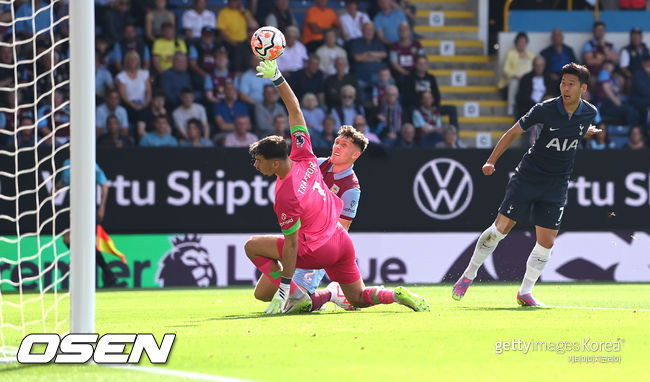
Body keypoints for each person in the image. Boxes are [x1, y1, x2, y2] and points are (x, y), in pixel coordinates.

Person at [245, 59, 430, 313]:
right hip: (340, 243)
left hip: (316, 248)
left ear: (275, 163)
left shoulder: (289, 194)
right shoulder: (308, 156)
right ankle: (394, 294)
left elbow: (290, 245)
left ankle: (298, 293)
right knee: (358, 298)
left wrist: (286, 285)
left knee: (252, 247)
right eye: (337, 143)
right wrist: (277, 77)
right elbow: (295, 110)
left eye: (259, 161)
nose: (256, 166)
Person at [452, 63, 600, 307]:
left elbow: (575, 129)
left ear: (583, 88)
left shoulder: (589, 112)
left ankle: (525, 292)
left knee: (548, 241)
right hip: (529, 176)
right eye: (563, 82)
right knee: (500, 229)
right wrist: (491, 161)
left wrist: (587, 131)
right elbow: (513, 132)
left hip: (557, 182)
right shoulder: (545, 109)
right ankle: (469, 274)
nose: (565, 87)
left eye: (571, 83)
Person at [252, 124, 370, 310]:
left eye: (344, 145)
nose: (337, 146)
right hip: (298, 240)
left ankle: (331, 293)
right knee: (261, 295)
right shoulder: (318, 163)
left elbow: (342, 228)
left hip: (319, 245)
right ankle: (296, 281)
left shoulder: (351, 188)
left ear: (355, 155)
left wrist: (316, 257)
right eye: (337, 142)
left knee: (294, 305)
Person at [56, 159, 116, 287]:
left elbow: (104, 185)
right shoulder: (67, 163)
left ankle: (102, 271)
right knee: (69, 239)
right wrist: (56, 189)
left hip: (87, 206)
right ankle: (106, 271)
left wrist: (102, 207)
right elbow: (64, 182)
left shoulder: (90, 162)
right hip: (72, 206)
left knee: (81, 241)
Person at [499, 32, 535, 116]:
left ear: (526, 43)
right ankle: (511, 106)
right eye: (520, 41)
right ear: (516, 42)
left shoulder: (531, 55)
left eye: (523, 42)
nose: (521, 44)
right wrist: (515, 76)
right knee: (514, 83)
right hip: (515, 78)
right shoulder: (511, 54)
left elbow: (535, 67)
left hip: (528, 79)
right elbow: (506, 69)